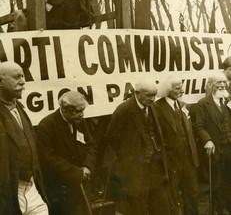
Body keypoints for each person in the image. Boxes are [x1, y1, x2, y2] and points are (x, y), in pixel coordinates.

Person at [105, 77, 173, 215]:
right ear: (137, 92)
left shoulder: (152, 107)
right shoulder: (123, 110)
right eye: (148, 95)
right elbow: (112, 139)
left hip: (155, 166)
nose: (152, 99)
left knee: (161, 205)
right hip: (135, 170)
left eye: (154, 95)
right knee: (138, 208)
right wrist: (129, 156)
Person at [36, 90, 97, 215]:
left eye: (83, 110)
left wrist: (87, 167)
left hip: (83, 181)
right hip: (61, 187)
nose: (82, 115)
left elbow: (91, 145)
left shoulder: (80, 122)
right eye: (78, 111)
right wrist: (76, 173)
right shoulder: (46, 125)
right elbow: (48, 158)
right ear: (64, 109)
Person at [0, 61, 48, 215]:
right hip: (9, 192)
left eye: (22, 76)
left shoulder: (19, 107)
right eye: (16, 77)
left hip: (31, 187)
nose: (23, 81)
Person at [155, 76, 199, 215]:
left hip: (188, 159)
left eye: (181, 87)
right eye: (178, 88)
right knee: (172, 197)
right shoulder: (156, 108)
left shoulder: (182, 105)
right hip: (171, 161)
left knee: (191, 194)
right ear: (168, 89)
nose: (182, 90)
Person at [195, 71, 231, 215]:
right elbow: (200, 126)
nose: (223, 85)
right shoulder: (203, 104)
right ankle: (218, 210)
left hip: (230, 147)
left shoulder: (229, 100)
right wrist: (208, 140)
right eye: (219, 82)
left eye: (224, 82)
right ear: (211, 85)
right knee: (217, 181)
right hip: (216, 148)